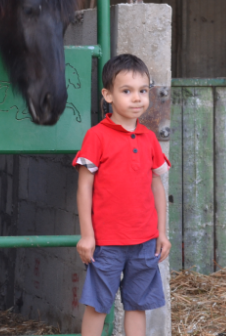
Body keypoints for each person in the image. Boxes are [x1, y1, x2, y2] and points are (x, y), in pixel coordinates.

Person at [72, 53, 171, 336]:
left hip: (144, 241)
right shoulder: (96, 136)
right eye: (126, 91)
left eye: (142, 91)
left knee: (137, 305)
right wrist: (87, 235)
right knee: (98, 306)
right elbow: (84, 187)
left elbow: (157, 186)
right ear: (108, 95)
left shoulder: (150, 138)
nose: (137, 98)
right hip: (107, 242)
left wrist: (161, 233)